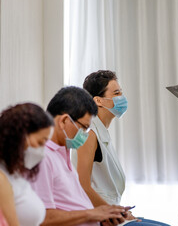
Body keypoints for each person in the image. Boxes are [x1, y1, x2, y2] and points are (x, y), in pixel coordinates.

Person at [74, 70, 170, 226]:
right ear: (98, 101)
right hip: (98, 218)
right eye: (116, 93)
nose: (122, 98)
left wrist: (121, 211)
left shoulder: (101, 133)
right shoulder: (89, 133)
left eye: (121, 93)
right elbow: (82, 185)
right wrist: (116, 213)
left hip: (110, 213)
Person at [30, 86, 126, 226]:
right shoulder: (43, 158)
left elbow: (73, 204)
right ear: (63, 121)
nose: (83, 135)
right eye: (83, 128)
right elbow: (43, 218)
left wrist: (102, 217)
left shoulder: (63, 153)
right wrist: (91, 214)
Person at [0, 103, 54, 226]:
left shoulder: (15, 173)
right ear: (19, 136)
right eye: (40, 142)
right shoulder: (2, 179)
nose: (42, 152)